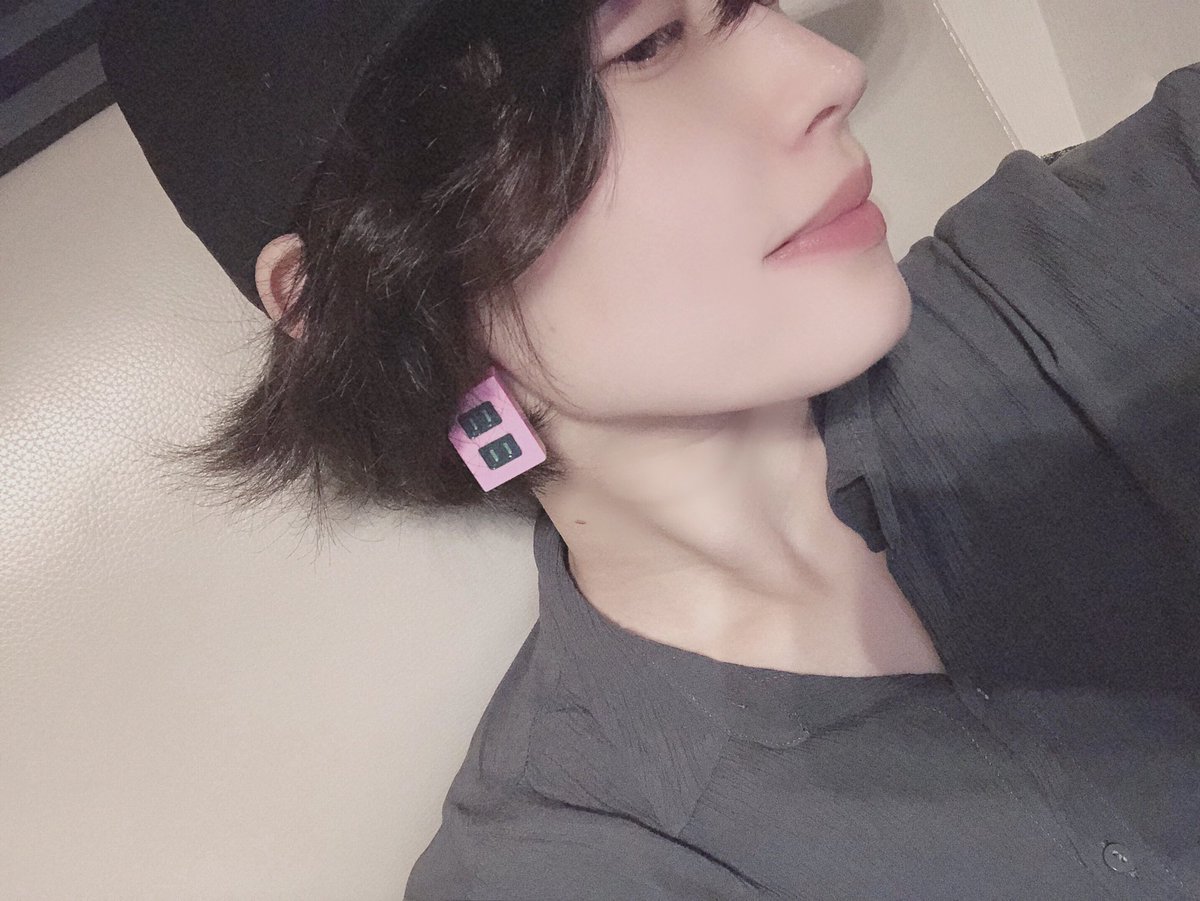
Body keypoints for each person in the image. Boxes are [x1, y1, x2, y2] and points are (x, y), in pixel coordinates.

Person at [97, 0, 1200, 898]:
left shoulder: (1079, 259)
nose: (828, 73)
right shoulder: (569, 867)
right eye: (648, 44)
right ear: (348, 294)